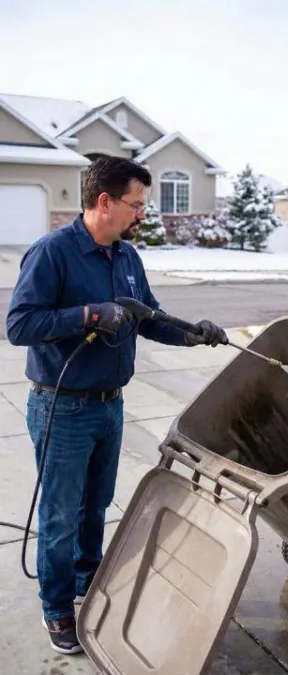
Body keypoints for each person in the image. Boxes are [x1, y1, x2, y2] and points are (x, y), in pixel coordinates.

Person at [6, 155, 228, 655]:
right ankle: (58, 608)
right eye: (136, 204)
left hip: (110, 406)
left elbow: (148, 317)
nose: (141, 214)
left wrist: (194, 334)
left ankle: (87, 577)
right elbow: (19, 325)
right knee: (60, 516)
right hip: (62, 407)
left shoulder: (126, 258)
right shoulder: (52, 253)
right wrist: (87, 314)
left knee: (96, 506)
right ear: (104, 202)